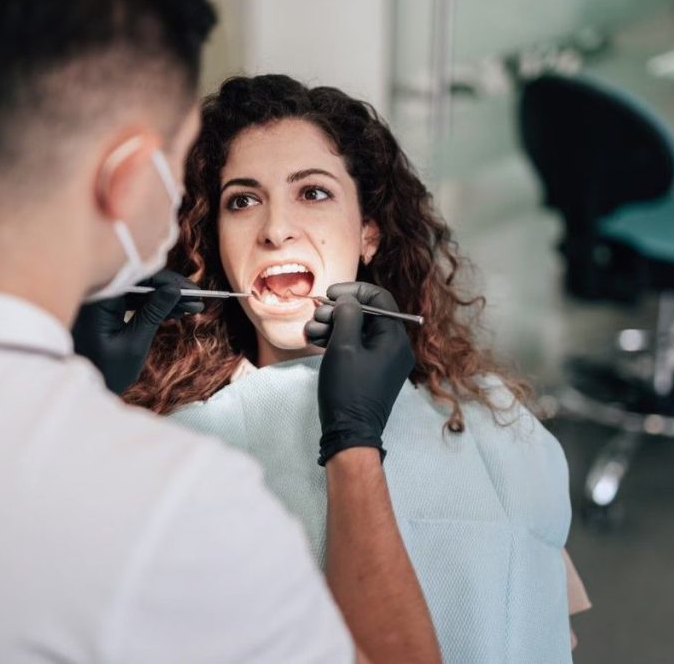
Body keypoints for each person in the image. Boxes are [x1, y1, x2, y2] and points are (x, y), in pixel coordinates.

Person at [0, 0, 441, 663]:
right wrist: (354, 446)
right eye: (182, 168)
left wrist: (83, 392)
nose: (273, 228)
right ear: (127, 176)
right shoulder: (178, 510)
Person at [112, 75, 592, 663]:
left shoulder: (495, 419)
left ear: (369, 233)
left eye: (313, 192)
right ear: (215, 245)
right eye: (242, 200)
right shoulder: (173, 448)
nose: (276, 229)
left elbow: (547, 629)